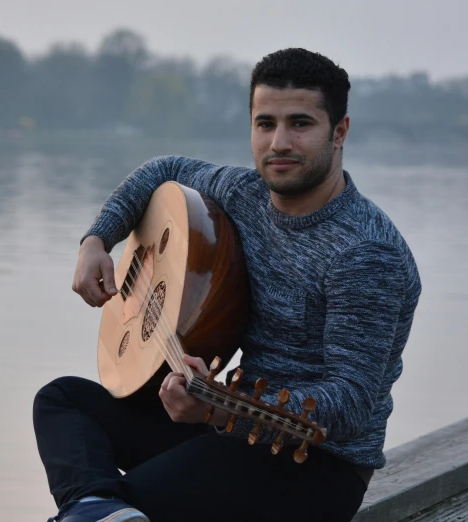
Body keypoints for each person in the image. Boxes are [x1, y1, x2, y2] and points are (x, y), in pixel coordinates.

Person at [33, 47, 422, 522]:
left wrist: (220, 411)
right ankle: (96, 507)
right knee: (64, 401)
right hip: (229, 429)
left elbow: (348, 404)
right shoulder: (243, 193)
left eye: (300, 124)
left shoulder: (365, 253)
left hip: (316, 468)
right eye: (265, 123)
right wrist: (96, 239)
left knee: (134, 499)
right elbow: (161, 171)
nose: (279, 142)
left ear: (339, 131)